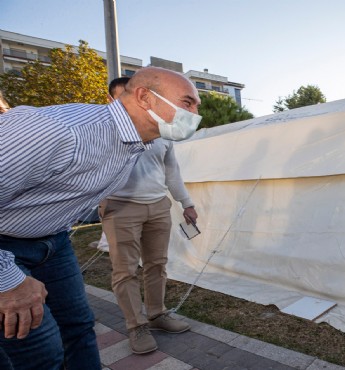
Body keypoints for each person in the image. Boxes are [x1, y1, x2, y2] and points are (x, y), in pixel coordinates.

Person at [0, 66, 202, 370]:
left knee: (80, 328)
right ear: (145, 97)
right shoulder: (58, 130)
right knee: (40, 351)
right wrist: (7, 278)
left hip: (53, 240)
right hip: (7, 247)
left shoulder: (135, 143)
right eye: (188, 103)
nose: (196, 114)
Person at [100, 123, 199, 354]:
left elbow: (172, 169)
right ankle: (137, 326)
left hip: (158, 205)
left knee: (157, 264)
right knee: (126, 270)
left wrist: (187, 203)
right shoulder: (109, 128)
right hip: (120, 206)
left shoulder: (164, 132)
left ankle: (156, 314)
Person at [89, 77, 134, 253]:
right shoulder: (99, 129)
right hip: (116, 202)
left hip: (150, 202)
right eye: (123, 96)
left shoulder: (155, 131)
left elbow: (170, 169)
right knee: (123, 260)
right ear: (111, 100)